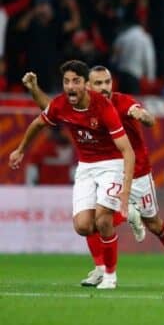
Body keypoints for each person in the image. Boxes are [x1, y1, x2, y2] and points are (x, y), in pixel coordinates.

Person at [21, 67, 164, 289]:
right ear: (88, 87)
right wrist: (35, 89)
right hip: (107, 171)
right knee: (95, 218)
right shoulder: (83, 105)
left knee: (153, 222)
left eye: (107, 82)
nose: (104, 88)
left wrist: (144, 116)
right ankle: (102, 269)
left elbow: (147, 118)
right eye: (99, 83)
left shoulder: (123, 102)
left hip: (137, 172)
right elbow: (52, 109)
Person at [9, 60, 135, 289]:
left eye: (75, 81)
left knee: (103, 220)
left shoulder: (103, 107)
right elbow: (40, 120)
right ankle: (123, 219)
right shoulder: (62, 104)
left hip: (111, 164)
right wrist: (20, 149)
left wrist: (125, 192)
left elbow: (127, 151)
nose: (70, 86)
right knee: (83, 226)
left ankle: (109, 276)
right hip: (86, 166)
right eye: (66, 81)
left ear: (86, 85)